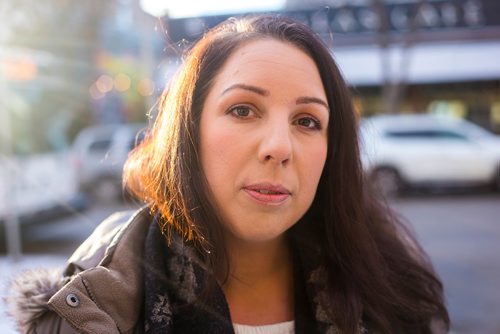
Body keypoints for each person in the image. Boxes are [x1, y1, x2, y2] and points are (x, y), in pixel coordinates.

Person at [7, 15, 449, 334]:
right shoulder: (95, 305)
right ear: (190, 131)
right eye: (243, 110)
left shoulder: (390, 290)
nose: (279, 147)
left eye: (308, 121)